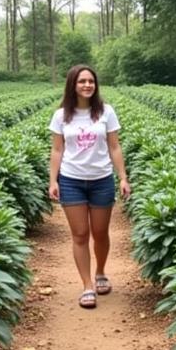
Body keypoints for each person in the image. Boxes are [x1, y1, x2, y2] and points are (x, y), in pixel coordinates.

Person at [48, 65, 130, 309]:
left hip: (101, 179)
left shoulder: (106, 112)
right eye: (82, 81)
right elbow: (57, 149)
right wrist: (53, 180)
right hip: (71, 179)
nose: (87, 85)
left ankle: (101, 271)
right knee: (80, 234)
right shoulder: (61, 116)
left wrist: (123, 177)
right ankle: (87, 285)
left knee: (100, 233)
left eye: (91, 81)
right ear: (73, 85)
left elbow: (115, 147)